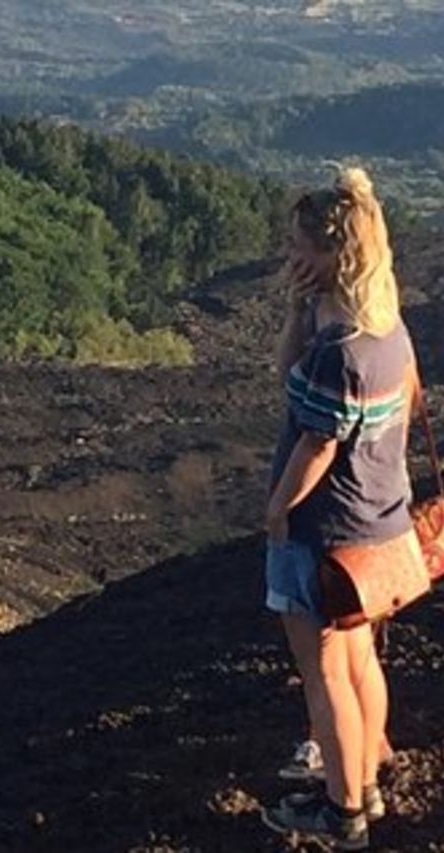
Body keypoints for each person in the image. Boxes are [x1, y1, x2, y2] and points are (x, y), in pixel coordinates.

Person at [260, 167, 417, 850]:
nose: (292, 255)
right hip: (379, 524)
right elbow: (295, 379)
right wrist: (299, 308)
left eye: (303, 246)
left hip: (324, 532)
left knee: (323, 674)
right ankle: (369, 785)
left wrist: (277, 509)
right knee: (358, 662)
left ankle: (342, 809)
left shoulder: (341, 352)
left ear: (337, 254)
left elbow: (317, 444)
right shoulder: (388, 332)